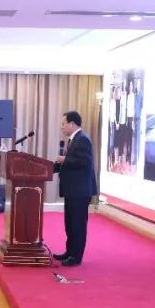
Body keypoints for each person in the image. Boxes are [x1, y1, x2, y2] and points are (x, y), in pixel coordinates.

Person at [53, 111, 98, 267]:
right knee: (70, 223)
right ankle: (69, 251)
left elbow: (84, 162)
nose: (62, 127)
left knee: (77, 224)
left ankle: (76, 256)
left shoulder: (82, 139)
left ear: (72, 124)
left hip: (80, 191)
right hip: (73, 190)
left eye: (63, 123)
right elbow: (72, 162)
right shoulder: (74, 139)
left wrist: (64, 159)